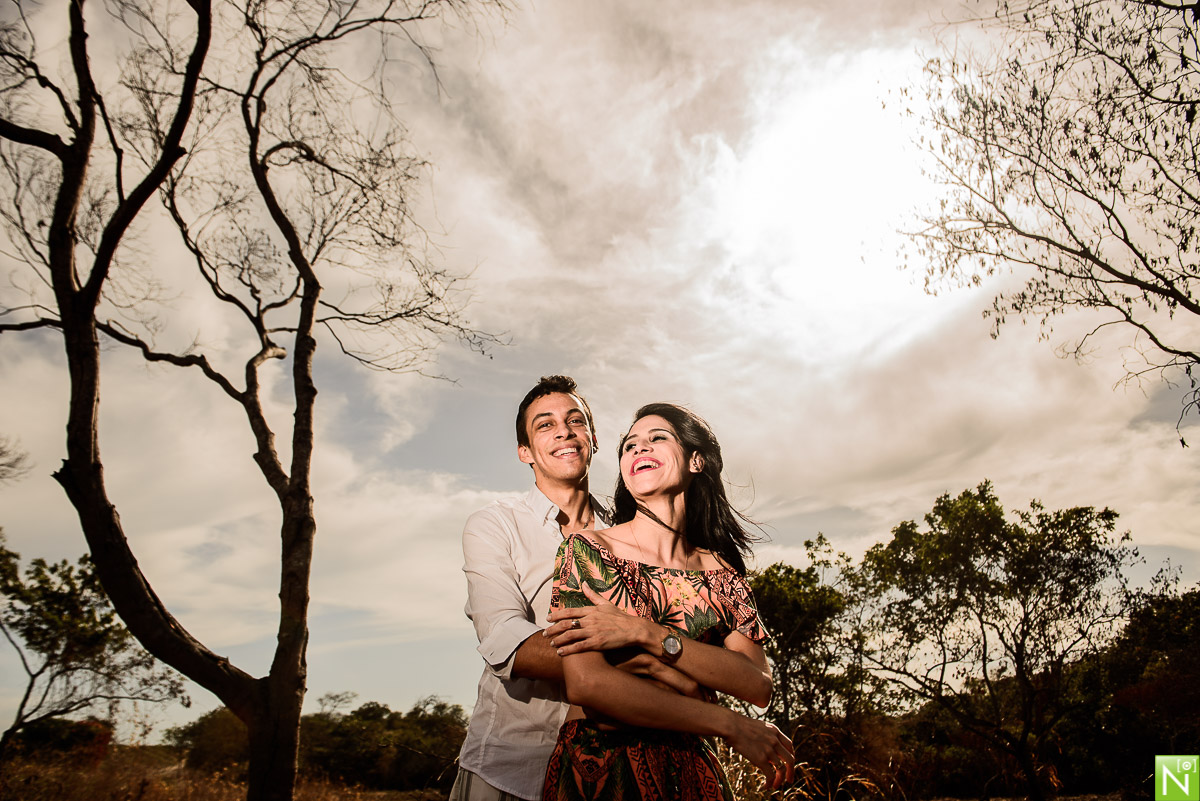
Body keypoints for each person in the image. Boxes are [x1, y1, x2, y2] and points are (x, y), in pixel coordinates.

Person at [452, 377, 699, 801]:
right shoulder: (494, 524)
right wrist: (641, 657)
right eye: (544, 425)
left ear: (594, 438)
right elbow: (508, 643)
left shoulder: (633, 532)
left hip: (614, 768)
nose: (563, 431)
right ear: (524, 451)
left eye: (575, 421)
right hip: (511, 765)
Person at [540, 402, 794, 801]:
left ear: (697, 461)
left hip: (693, 768)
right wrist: (728, 722)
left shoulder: (722, 571)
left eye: (658, 438)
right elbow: (588, 683)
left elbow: (757, 684)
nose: (639, 448)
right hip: (602, 769)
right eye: (629, 445)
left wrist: (645, 634)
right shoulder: (589, 549)